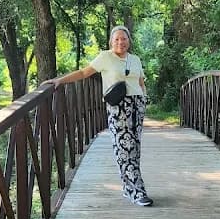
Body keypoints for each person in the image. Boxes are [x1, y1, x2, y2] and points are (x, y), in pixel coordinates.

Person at [55, 25, 153, 206]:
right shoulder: (105, 57)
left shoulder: (135, 60)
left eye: (123, 39)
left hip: (137, 107)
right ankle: (137, 192)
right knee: (124, 149)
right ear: (111, 42)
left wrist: (143, 100)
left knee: (135, 148)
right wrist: (60, 80)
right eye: (116, 39)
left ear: (129, 41)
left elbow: (140, 82)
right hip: (118, 108)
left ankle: (127, 188)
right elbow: (84, 72)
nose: (120, 42)